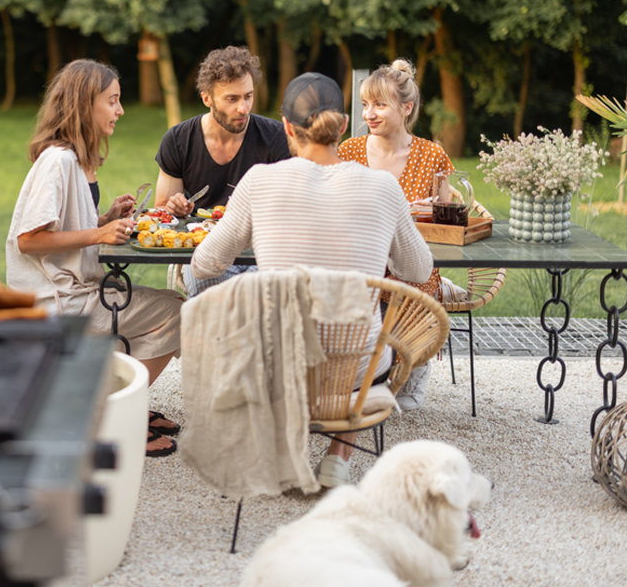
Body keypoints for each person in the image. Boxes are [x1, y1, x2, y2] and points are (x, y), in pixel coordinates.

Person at [189, 72, 433, 488]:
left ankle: (283, 449)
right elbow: (419, 272)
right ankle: (338, 457)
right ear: (343, 126)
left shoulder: (259, 181)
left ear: (286, 127)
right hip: (356, 371)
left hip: (275, 366)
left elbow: (204, 264)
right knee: (363, 338)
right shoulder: (383, 188)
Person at [6, 59, 184, 457]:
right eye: (113, 101)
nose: (120, 110)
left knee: (167, 305)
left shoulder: (72, 159)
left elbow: (62, 229)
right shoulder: (59, 161)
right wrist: (99, 233)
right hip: (56, 304)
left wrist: (104, 218)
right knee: (177, 313)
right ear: (85, 104)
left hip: (73, 291)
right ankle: (113, 414)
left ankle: (121, 399)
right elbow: (29, 240)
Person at [338, 58, 455, 411]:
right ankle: (362, 372)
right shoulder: (349, 151)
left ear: (406, 108)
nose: (369, 114)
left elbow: (444, 226)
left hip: (411, 268)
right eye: (364, 105)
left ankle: (414, 363)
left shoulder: (432, 155)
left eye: (379, 105)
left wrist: (428, 211)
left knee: (416, 284)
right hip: (362, 265)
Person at [153, 46, 290, 295]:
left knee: (265, 298)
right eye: (232, 99)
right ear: (207, 99)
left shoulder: (275, 138)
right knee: (216, 304)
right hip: (204, 254)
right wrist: (174, 207)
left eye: (248, 96)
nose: (244, 108)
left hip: (260, 255)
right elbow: (162, 212)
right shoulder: (178, 140)